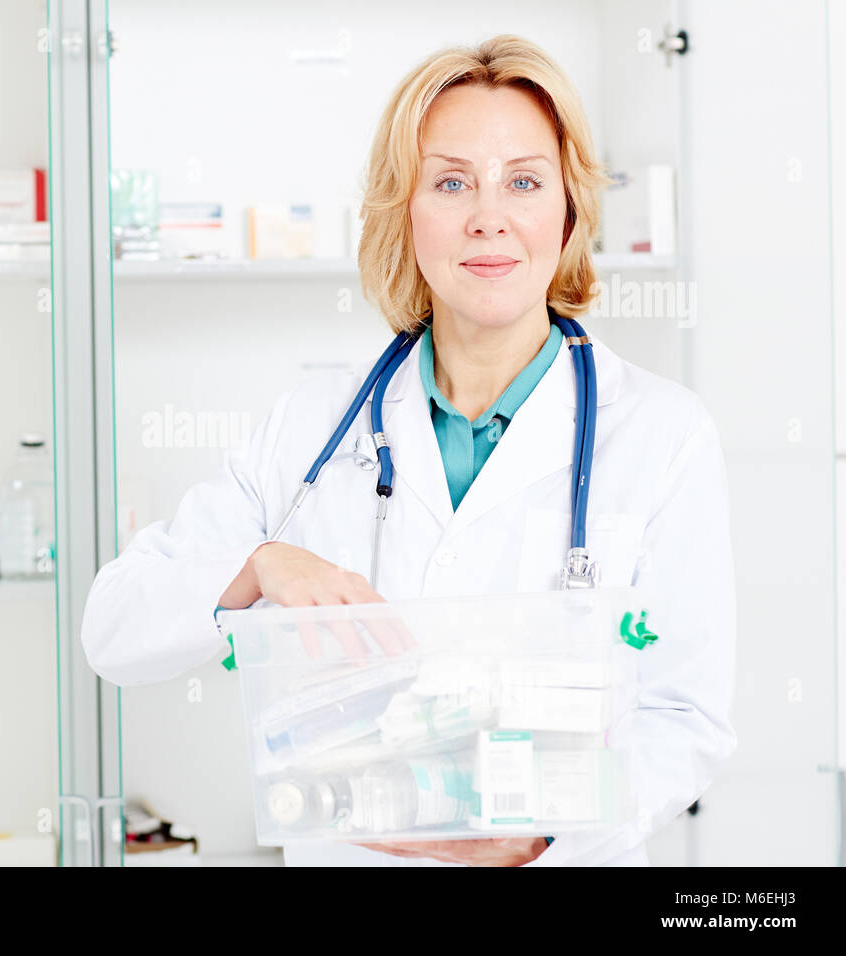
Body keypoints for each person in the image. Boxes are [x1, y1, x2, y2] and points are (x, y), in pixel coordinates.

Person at [80, 34, 736, 867]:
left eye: (524, 182)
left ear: (568, 212)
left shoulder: (662, 436)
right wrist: (259, 564)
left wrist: (538, 833)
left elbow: (687, 718)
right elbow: (113, 628)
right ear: (405, 209)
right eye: (452, 181)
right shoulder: (313, 427)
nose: (488, 215)